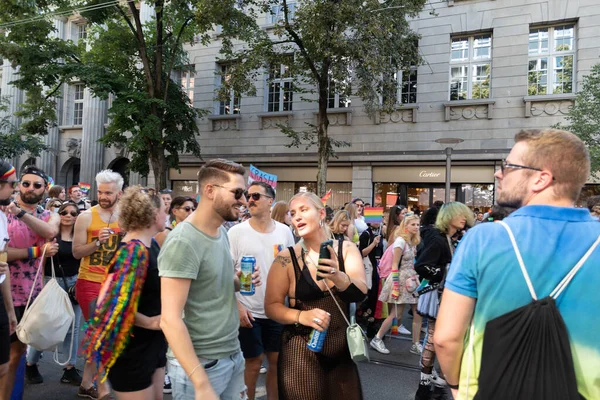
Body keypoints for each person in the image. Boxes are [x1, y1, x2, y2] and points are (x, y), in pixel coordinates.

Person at [435, 129, 600, 400]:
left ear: (541, 178)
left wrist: (455, 386)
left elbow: (446, 339)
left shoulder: (484, 239)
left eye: (509, 166)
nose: (499, 174)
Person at [159, 159, 260, 400]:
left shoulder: (221, 232)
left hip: (232, 354)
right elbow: (169, 320)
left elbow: (213, 285)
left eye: (244, 193)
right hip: (201, 365)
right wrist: (200, 382)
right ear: (210, 191)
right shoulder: (184, 242)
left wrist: (238, 280)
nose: (244, 201)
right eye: (237, 193)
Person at [265, 192, 368, 400]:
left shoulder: (346, 249)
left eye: (304, 210)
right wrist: (300, 316)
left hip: (341, 353)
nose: (297, 217)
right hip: (300, 351)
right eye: (293, 213)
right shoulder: (286, 258)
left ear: (321, 213)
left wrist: (338, 277)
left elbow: (360, 293)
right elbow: (271, 306)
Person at [83, 187, 167, 400]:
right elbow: (109, 306)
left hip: (152, 347)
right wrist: (150, 322)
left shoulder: (150, 245)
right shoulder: (133, 250)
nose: (167, 215)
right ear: (155, 214)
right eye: (165, 209)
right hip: (133, 351)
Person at [228, 182, 294, 400]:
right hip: (248, 311)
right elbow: (225, 274)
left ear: (270, 200)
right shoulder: (236, 232)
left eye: (256, 195)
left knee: (276, 363)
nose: (250, 199)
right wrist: (236, 306)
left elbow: (292, 270)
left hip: (276, 310)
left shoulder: (285, 232)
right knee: (253, 363)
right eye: (248, 195)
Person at [2, 166, 60, 393]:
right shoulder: (1, 212)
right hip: (4, 291)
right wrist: (37, 251)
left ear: (45, 188)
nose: (30, 188)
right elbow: (3, 255)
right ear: (18, 185)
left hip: (30, 297)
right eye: (25, 183)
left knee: (17, 355)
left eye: (37, 185)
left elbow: (49, 232)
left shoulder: (49, 215)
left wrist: (19, 213)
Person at [413, 202, 473, 399]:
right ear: (449, 217)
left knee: (440, 337)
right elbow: (422, 265)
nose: (464, 218)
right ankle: (424, 383)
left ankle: (430, 380)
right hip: (437, 294)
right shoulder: (438, 239)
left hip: (444, 294)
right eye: (459, 214)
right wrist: (442, 273)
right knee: (433, 337)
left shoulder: (449, 238)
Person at [73, 169, 123, 400]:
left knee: (102, 334)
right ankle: (102, 386)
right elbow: (76, 252)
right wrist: (96, 243)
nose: (103, 196)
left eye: (108, 192)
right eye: (100, 191)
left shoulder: (125, 218)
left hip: (115, 284)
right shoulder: (86, 217)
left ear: (119, 192)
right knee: (99, 332)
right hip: (89, 282)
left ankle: (86, 384)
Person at [26, 202, 83, 386]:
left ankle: (70, 368)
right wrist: (41, 284)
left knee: (72, 328)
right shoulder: (51, 234)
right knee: (45, 325)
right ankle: (31, 363)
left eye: (73, 213)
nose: (69, 215)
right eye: (64, 212)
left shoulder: (80, 236)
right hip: (53, 281)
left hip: (75, 283)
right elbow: (40, 262)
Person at [370, 214, 423, 355]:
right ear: (405, 226)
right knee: (396, 314)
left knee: (418, 312)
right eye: (413, 224)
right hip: (399, 279)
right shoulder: (400, 242)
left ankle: (416, 344)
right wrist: (395, 286)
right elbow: (394, 265)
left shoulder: (413, 241)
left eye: (418, 225)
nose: (416, 227)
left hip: (411, 279)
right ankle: (377, 338)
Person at [0, 162, 18, 383]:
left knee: (3, 366)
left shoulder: (3, 215)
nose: (15, 189)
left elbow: (3, 265)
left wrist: (10, 309)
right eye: (12, 184)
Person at [358, 220, 383, 318]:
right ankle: (364, 315)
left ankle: (371, 316)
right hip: (368, 266)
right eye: (373, 219)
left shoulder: (380, 233)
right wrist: (373, 243)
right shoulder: (366, 234)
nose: (376, 221)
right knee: (369, 291)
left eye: (378, 219)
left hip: (376, 266)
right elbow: (362, 253)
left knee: (375, 291)